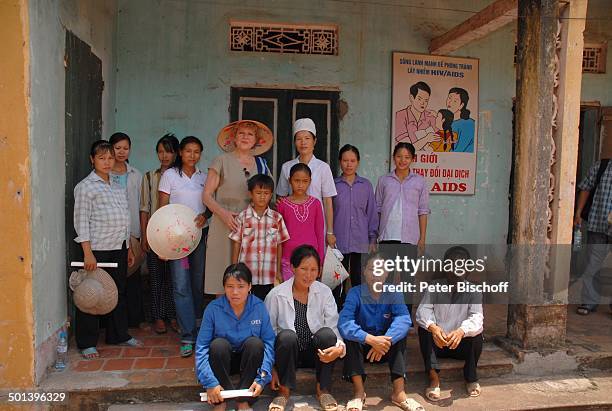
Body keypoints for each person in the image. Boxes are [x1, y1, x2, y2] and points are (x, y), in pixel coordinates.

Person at [73, 140, 143, 359]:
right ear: (92, 160)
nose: (107, 162)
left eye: (110, 157)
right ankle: (87, 342)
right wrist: (87, 253)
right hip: (97, 250)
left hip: (119, 247)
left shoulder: (116, 184)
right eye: (101, 158)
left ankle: (118, 334)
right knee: (91, 293)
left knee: (117, 292)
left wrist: (128, 248)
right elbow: (81, 221)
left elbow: (124, 218)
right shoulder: (85, 187)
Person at [339, 252, 423, 411]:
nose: (376, 274)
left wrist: (386, 341)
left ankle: (399, 393)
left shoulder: (394, 292)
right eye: (371, 269)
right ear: (364, 271)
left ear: (387, 273)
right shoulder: (355, 293)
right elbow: (344, 322)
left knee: (400, 335)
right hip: (363, 349)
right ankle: (358, 393)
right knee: (350, 337)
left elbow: (404, 319)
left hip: (385, 349)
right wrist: (370, 339)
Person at [265, 245, 345, 411]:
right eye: (304, 269)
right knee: (286, 336)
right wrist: (271, 367)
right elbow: (268, 334)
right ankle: (283, 392)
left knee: (326, 335)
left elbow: (333, 327)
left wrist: (338, 348)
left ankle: (323, 390)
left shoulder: (324, 292)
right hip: (287, 354)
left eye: (313, 269)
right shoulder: (276, 295)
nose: (309, 275)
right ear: (293, 268)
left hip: (315, 354)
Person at [203, 120, 273, 296]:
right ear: (233, 138)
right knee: (223, 275)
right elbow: (206, 195)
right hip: (223, 224)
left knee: (248, 279)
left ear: (256, 140)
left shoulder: (262, 165)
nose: (245, 137)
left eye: (250, 134)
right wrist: (224, 215)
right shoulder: (221, 160)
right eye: (241, 133)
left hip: (253, 228)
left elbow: (269, 195)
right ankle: (223, 321)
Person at [196, 263, 275, 411]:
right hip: (223, 361)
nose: (235, 292)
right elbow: (201, 347)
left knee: (256, 344)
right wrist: (210, 382)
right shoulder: (213, 309)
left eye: (240, 286)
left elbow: (269, 343)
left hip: (249, 362)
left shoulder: (259, 307)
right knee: (218, 345)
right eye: (230, 286)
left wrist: (262, 377)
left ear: (250, 286)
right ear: (224, 287)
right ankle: (220, 401)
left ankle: (243, 402)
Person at [158, 136, 208, 357]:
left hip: (199, 236)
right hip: (176, 239)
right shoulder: (169, 175)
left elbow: (210, 205)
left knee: (198, 283)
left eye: (197, 151)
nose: (192, 155)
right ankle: (187, 335)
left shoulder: (204, 177)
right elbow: (162, 210)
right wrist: (162, 244)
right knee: (180, 284)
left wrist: (205, 215)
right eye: (188, 151)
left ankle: (198, 327)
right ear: (180, 152)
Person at [416, 246, 484, 401]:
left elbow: (477, 318)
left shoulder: (474, 291)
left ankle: (471, 378)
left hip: (459, 345)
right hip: (438, 344)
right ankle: (434, 379)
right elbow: (422, 312)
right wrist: (434, 328)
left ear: (467, 269)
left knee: (477, 334)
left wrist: (461, 332)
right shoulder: (434, 287)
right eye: (452, 265)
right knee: (424, 329)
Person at [376, 142, 430, 309]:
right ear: (393, 158)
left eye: (407, 157)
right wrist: (375, 235)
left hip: (410, 237)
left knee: (408, 278)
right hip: (387, 237)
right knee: (387, 277)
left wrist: (422, 238)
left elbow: (423, 211)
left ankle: (406, 316)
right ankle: (386, 313)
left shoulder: (419, 182)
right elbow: (377, 208)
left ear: (413, 159)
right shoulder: (384, 180)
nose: (402, 160)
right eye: (399, 156)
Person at [140, 133, 180, 334]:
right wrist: (145, 235)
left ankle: (173, 315)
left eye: (168, 151)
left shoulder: (180, 176)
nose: (164, 156)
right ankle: (158, 317)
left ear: (176, 153)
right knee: (156, 277)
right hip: (155, 233)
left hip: (176, 234)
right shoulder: (149, 177)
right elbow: (144, 208)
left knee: (174, 277)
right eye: (160, 151)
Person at [276, 118, 337, 248]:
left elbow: (327, 202)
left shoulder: (323, 168)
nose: (303, 142)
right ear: (294, 142)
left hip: (316, 226)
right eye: (299, 139)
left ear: (314, 141)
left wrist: (330, 231)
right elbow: (281, 198)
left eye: (307, 138)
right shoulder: (287, 167)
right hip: (292, 226)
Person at [229, 174, 290, 300]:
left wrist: (278, 270)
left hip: (269, 274)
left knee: (267, 305)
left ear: (271, 194)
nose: (262, 196)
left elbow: (279, 245)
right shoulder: (242, 217)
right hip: (247, 273)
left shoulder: (277, 218)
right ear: (250, 194)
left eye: (266, 193)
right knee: (247, 304)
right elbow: (236, 243)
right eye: (258, 193)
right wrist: (234, 268)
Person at [109, 132, 146, 329]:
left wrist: (142, 233)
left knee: (133, 278)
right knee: (113, 278)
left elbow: (142, 206)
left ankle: (135, 319)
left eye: (125, 148)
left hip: (133, 232)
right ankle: (112, 324)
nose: (121, 152)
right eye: (117, 148)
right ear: (110, 148)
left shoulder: (136, 175)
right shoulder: (105, 173)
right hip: (110, 233)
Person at [333, 144, 378, 304]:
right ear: (340, 162)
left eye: (352, 160)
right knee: (337, 282)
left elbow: (372, 212)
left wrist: (373, 238)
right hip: (338, 242)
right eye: (345, 160)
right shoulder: (334, 185)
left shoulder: (366, 185)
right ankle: (337, 313)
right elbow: (329, 213)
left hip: (360, 241)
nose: (349, 164)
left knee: (359, 279)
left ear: (358, 162)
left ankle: (359, 313)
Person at [573, 157, 611, 315]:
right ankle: (589, 302)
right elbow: (586, 188)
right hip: (598, 223)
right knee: (592, 266)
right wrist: (578, 212)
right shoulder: (602, 166)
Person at [276, 163, 325, 281]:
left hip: (311, 259)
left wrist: (320, 261)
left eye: (304, 181)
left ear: (310, 181)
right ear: (289, 180)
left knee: (308, 293)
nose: (300, 185)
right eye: (296, 180)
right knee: (289, 293)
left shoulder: (316, 203)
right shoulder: (282, 204)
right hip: (288, 259)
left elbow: (320, 233)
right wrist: (277, 267)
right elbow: (278, 237)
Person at [446, 88, 475, 153]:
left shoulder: (468, 123)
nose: (450, 102)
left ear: (461, 105)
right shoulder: (448, 123)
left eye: (455, 101)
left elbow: (459, 150)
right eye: (449, 98)